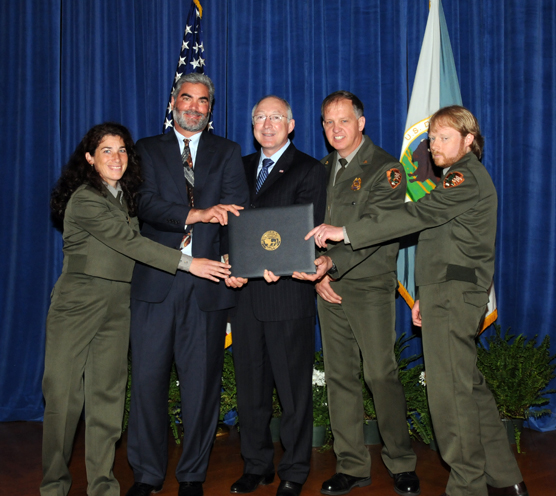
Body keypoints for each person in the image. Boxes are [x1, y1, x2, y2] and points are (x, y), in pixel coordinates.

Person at [305, 105, 528, 496]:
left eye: (445, 138)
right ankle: (507, 479)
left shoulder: (464, 177)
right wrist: (425, 293)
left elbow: (418, 216)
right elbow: (445, 245)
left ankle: (467, 487)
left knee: (449, 399)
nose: (434, 146)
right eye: (432, 138)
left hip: (454, 298)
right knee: (469, 388)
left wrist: (347, 231)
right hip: (445, 294)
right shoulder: (455, 180)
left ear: (468, 141)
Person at [41, 122, 233, 496]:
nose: (116, 158)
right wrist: (190, 262)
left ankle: (102, 485)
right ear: (89, 159)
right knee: (63, 400)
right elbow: (130, 243)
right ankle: (53, 486)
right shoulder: (84, 198)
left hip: (118, 307)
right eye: (107, 151)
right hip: (78, 305)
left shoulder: (125, 198)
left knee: (108, 401)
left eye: (122, 150)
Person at [126, 73, 249, 496]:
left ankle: (193, 475)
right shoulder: (146, 149)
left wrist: (238, 256)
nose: (194, 107)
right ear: (173, 102)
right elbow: (141, 203)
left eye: (203, 101)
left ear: (210, 109)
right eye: (187, 98)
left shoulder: (227, 151)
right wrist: (194, 214)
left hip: (208, 287)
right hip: (156, 284)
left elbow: (238, 213)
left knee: (201, 388)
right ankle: (146, 474)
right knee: (146, 383)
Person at [294, 91, 419, 496]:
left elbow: (380, 228)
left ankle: (401, 461)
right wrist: (319, 273)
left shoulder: (385, 169)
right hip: (327, 286)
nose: (335, 129)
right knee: (340, 377)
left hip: (368, 285)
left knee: (380, 374)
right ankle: (351, 465)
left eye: (343, 121)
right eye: (328, 122)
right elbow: (311, 226)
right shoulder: (322, 167)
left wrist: (333, 264)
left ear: (361, 123)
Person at [225, 96, 326, 496]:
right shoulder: (239, 167)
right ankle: (257, 466)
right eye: (260, 118)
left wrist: (279, 262)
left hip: (287, 295)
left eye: (276, 118)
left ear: (292, 124)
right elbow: (227, 222)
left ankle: (295, 470)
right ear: (252, 126)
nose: (267, 124)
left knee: (293, 393)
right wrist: (229, 259)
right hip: (244, 295)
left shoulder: (309, 169)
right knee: (251, 390)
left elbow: (307, 229)